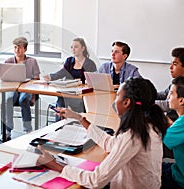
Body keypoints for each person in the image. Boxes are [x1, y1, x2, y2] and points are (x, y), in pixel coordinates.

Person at [37, 77, 168, 188]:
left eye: (117, 96)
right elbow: (110, 144)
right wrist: (80, 118)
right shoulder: (149, 126)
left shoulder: (133, 135)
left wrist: (56, 166)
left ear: (127, 102)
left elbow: (96, 180)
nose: (114, 101)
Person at [43, 38, 97, 120]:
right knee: (61, 101)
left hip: (81, 96)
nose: (73, 49)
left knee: (75, 107)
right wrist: (50, 77)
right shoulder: (69, 61)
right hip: (68, 93)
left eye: (76, 47)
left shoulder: (90, 64)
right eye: (71, 47)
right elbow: (62, 72)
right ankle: (59, 128)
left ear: (83, 48)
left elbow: (92, 82)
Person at [4, 37, 40, 140]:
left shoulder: (32, 61)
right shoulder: (8, 61)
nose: (17, 50)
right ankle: (8, 129)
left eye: (20, 48)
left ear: (25, 49)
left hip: (27, 89)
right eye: (15, 47)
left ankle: (28, 129)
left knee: (23, 99)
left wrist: (33, 97)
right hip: (13, 89)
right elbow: (3, 79)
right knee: (8, 99)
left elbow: (36, 79)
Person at [161, 76, 184, 189]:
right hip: (178, 168)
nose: (168, 97)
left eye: (171, 93)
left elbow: (164, 140)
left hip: (180, 179)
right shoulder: (181, 122)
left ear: (181, 100)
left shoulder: (182, 123)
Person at [157, 47, 184, 122]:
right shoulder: (177, 82)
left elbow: (167, 105)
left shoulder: (181, 86)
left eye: (175, 64)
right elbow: (163, 94)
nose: (170, 67)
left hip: (175, 123)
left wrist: (143, 101)